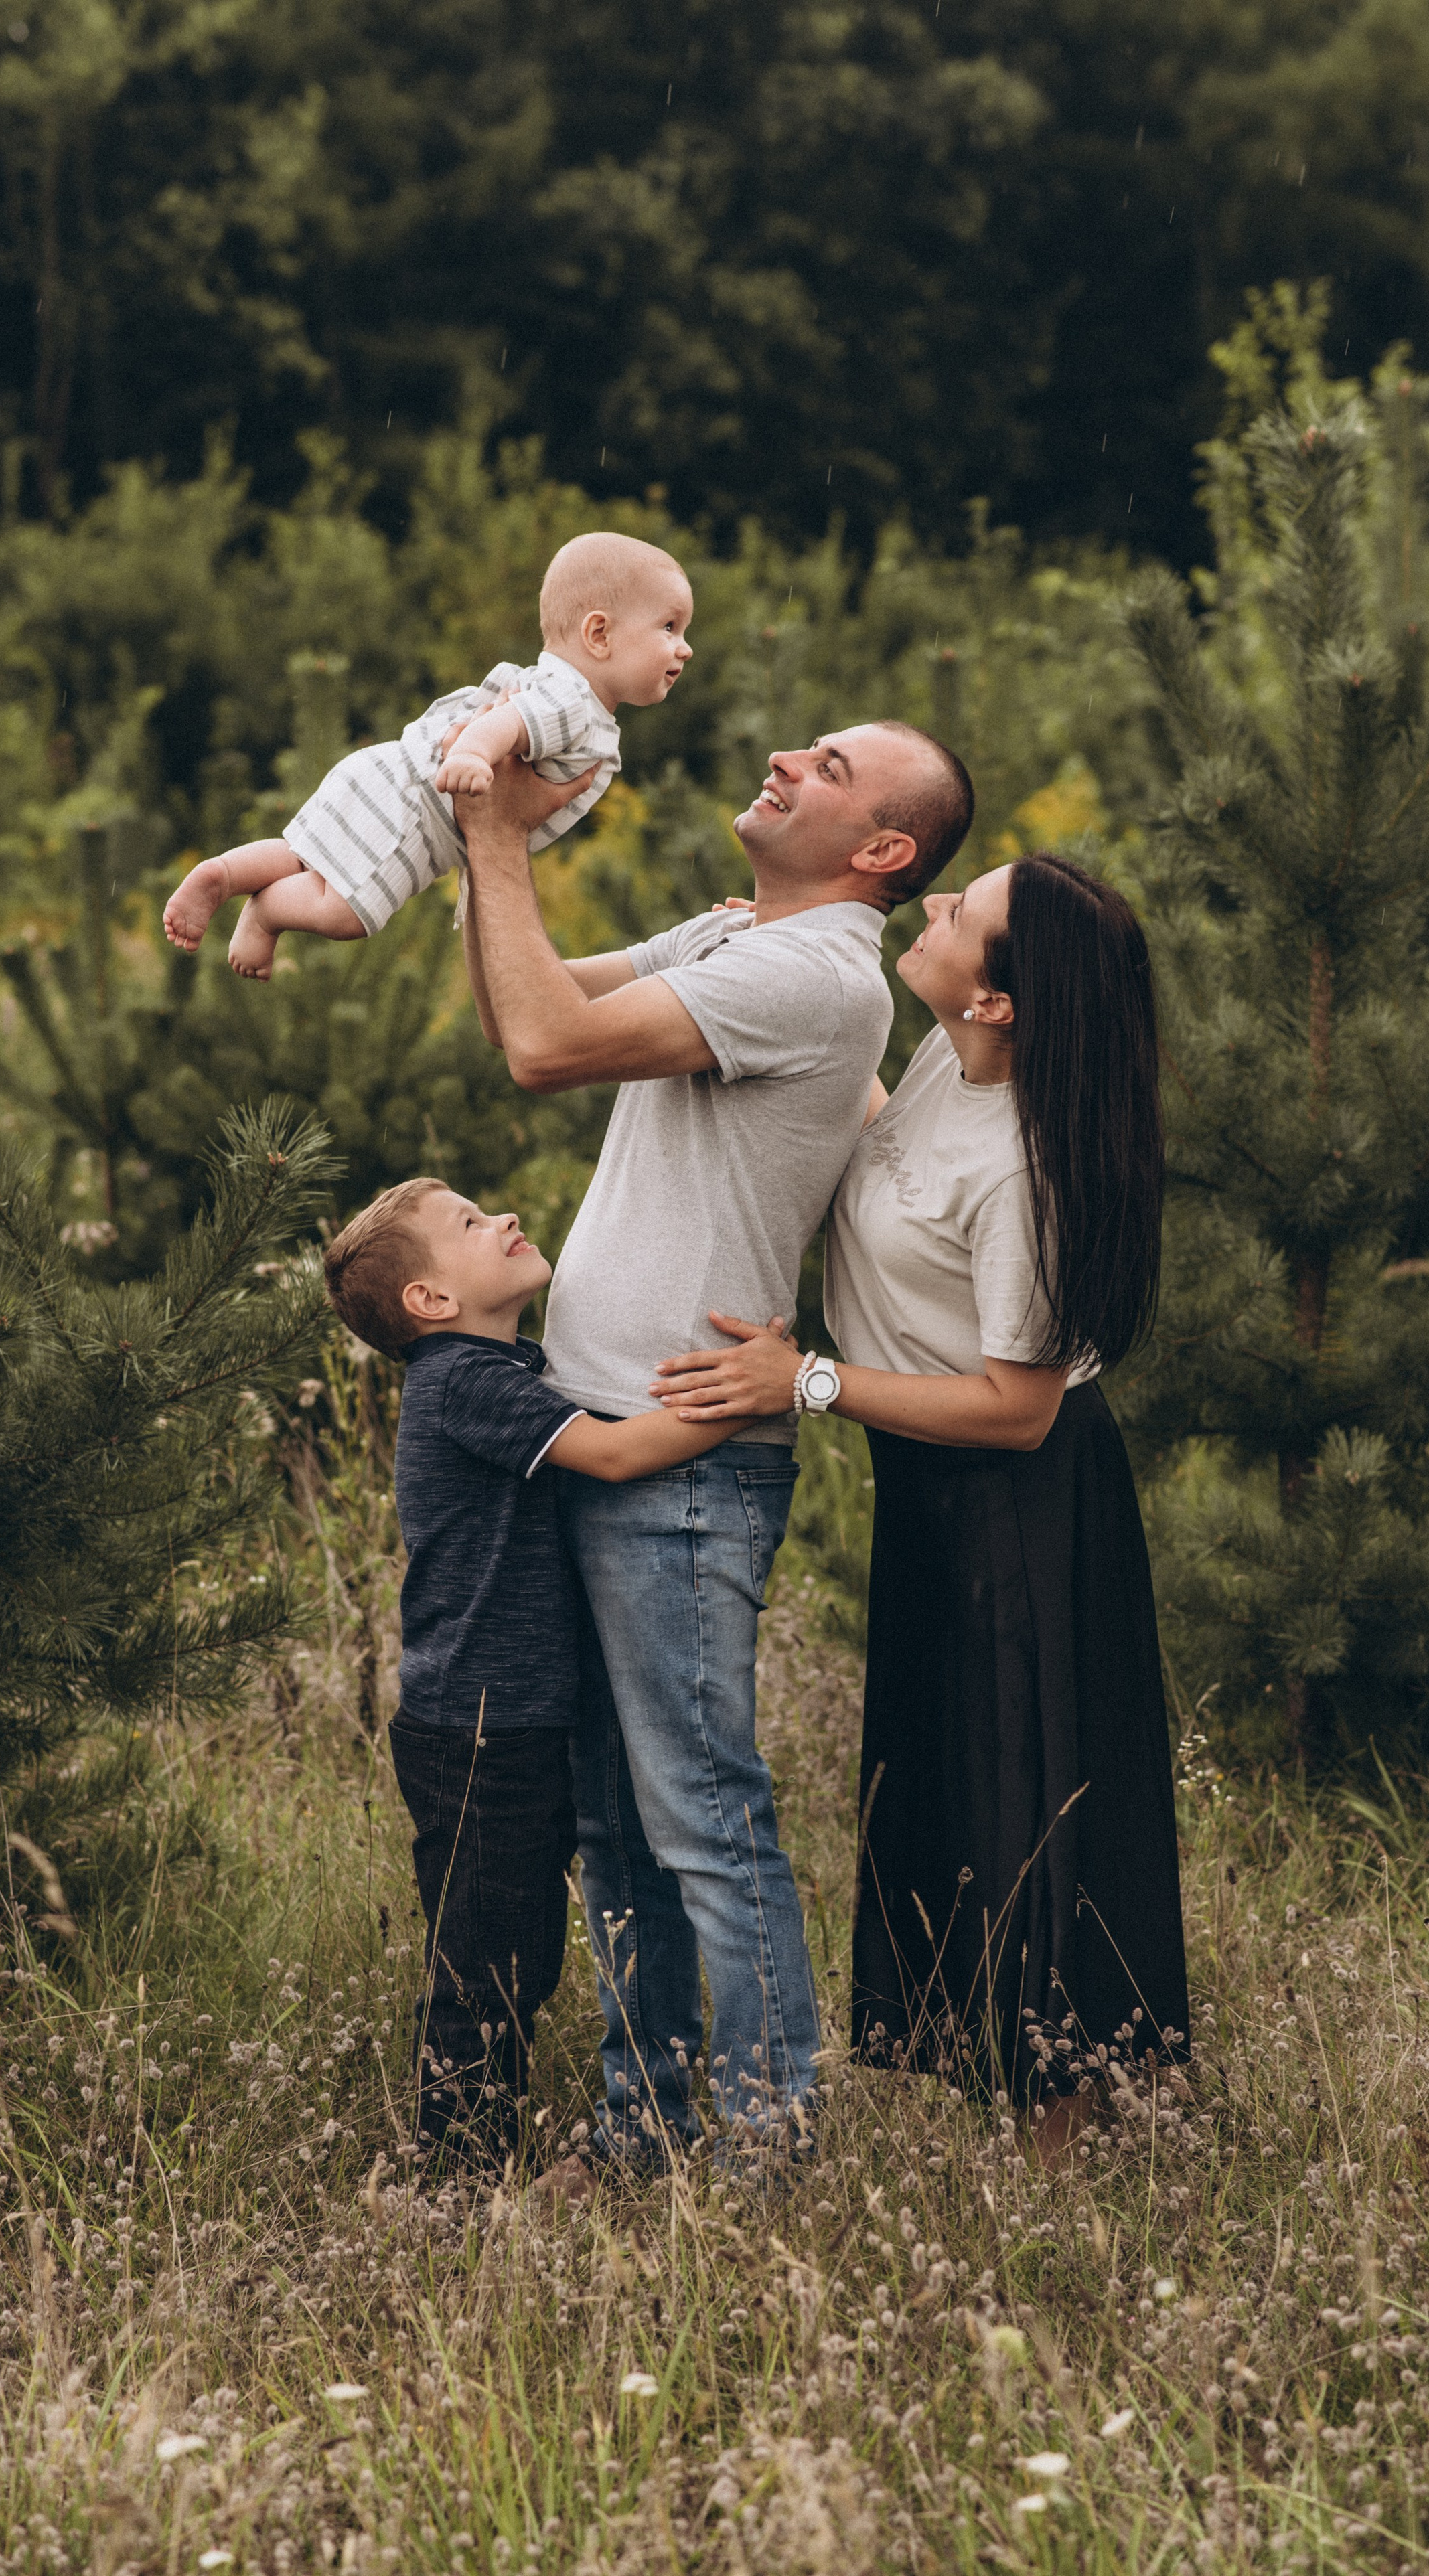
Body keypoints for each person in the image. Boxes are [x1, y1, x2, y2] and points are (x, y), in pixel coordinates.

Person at [451, 719, 974, 2172]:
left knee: (699, 1816)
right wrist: (486, 835)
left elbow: (546, 1045)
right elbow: (521, 1003)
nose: (788, 757)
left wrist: (496, 837)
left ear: (879, 852)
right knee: (617, 1825)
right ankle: (646, 2131)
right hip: (601, 1428)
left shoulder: (809, 977)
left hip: (679, 1461)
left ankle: (765, 2143)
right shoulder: (736, 935)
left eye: (830, 765)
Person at [652, 851, 1190, 2150]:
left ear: (998, 998)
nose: (934, 910)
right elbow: (882, 1150)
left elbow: (1020, 1405)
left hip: (1020, 1498)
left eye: (961, 913)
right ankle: (1021, 2090)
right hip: (935, 1487)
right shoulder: (957, 1059)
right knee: (948, 1777)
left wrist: (807, 1379)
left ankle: (1069, 2133)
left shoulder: (1026, 1170)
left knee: (1028, 1796)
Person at [321, 1176, 756, 2171]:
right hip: (479, 1729)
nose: (505, 1217)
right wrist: (750, 1397)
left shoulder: (500, 1365)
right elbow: (611, 1458)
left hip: (516, 1716)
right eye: (471, 1226)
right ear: (430, 1303)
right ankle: (456, 2178)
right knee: (488, 1964)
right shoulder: (461, 1381)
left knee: (516, 1952)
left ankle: (502, 2152)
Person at [161, 531, 690, 978]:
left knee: (305, 857)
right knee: (346, 914)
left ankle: (228, 874)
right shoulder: (575, 701)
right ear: (598, 634)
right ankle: (266, 913)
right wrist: (475, 754)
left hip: (391, 773)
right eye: (669, 627)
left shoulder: (559, 688)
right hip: (418, 814)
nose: (684, 647)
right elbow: (514, 722)